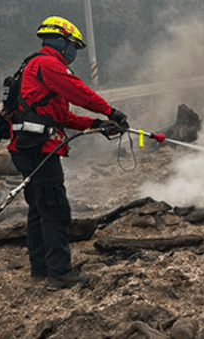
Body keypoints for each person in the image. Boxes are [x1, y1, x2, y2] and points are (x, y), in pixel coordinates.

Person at [7, 16, 129, 291]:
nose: (74, 52)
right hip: (39, 149)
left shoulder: (34, 65)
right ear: (62, 42)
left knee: (39, 209)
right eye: (74, 45)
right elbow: (79, 93)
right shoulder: (48, 64)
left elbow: (62, 117)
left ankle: (41, 268)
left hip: (27, 147)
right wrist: (111, 112)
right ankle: (60, 274)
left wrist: (97, 124)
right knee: (56, 211)